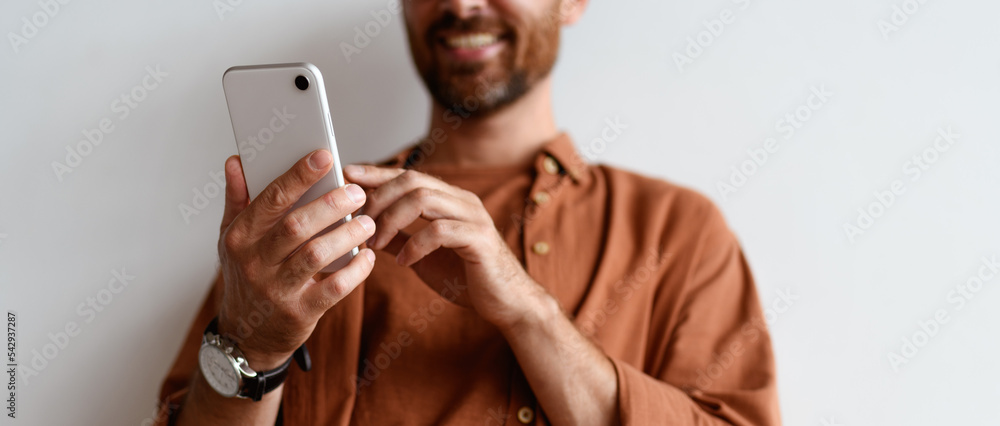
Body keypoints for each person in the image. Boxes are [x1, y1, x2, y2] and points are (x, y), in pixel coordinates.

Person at [155, 0, 781, 424]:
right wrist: (252, 349)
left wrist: (527, 310)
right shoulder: (303, 227)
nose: (460, 3)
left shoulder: (679, 231)